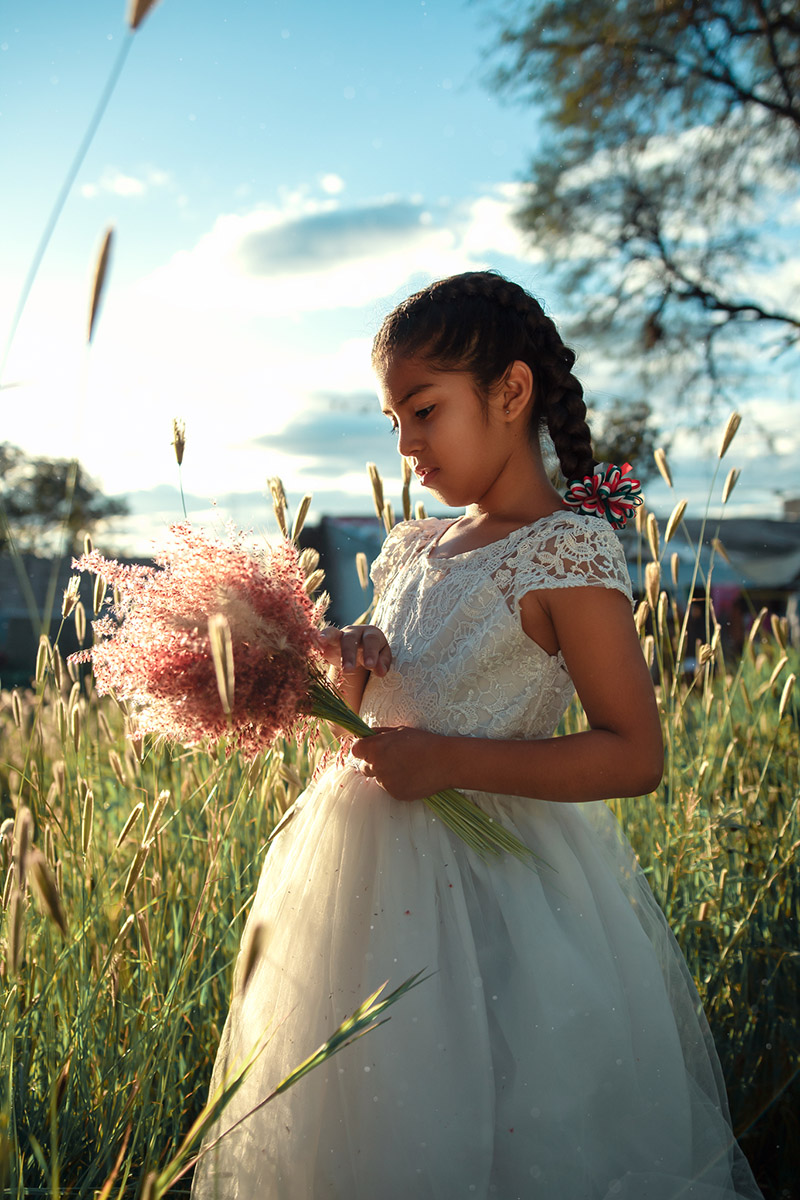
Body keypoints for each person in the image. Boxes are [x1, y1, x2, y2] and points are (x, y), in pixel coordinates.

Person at [191, 272, 763, 1199]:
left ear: (510, 392)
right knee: (361, 1116)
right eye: (394, 424)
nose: (408, 444)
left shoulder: (566, 551)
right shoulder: (416, 544)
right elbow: (375, 724)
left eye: (424, 410)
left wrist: (450, 760)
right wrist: (351, 667)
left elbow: (634, 752)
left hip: (496, 892)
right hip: (359, 886)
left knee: (501, 1115)